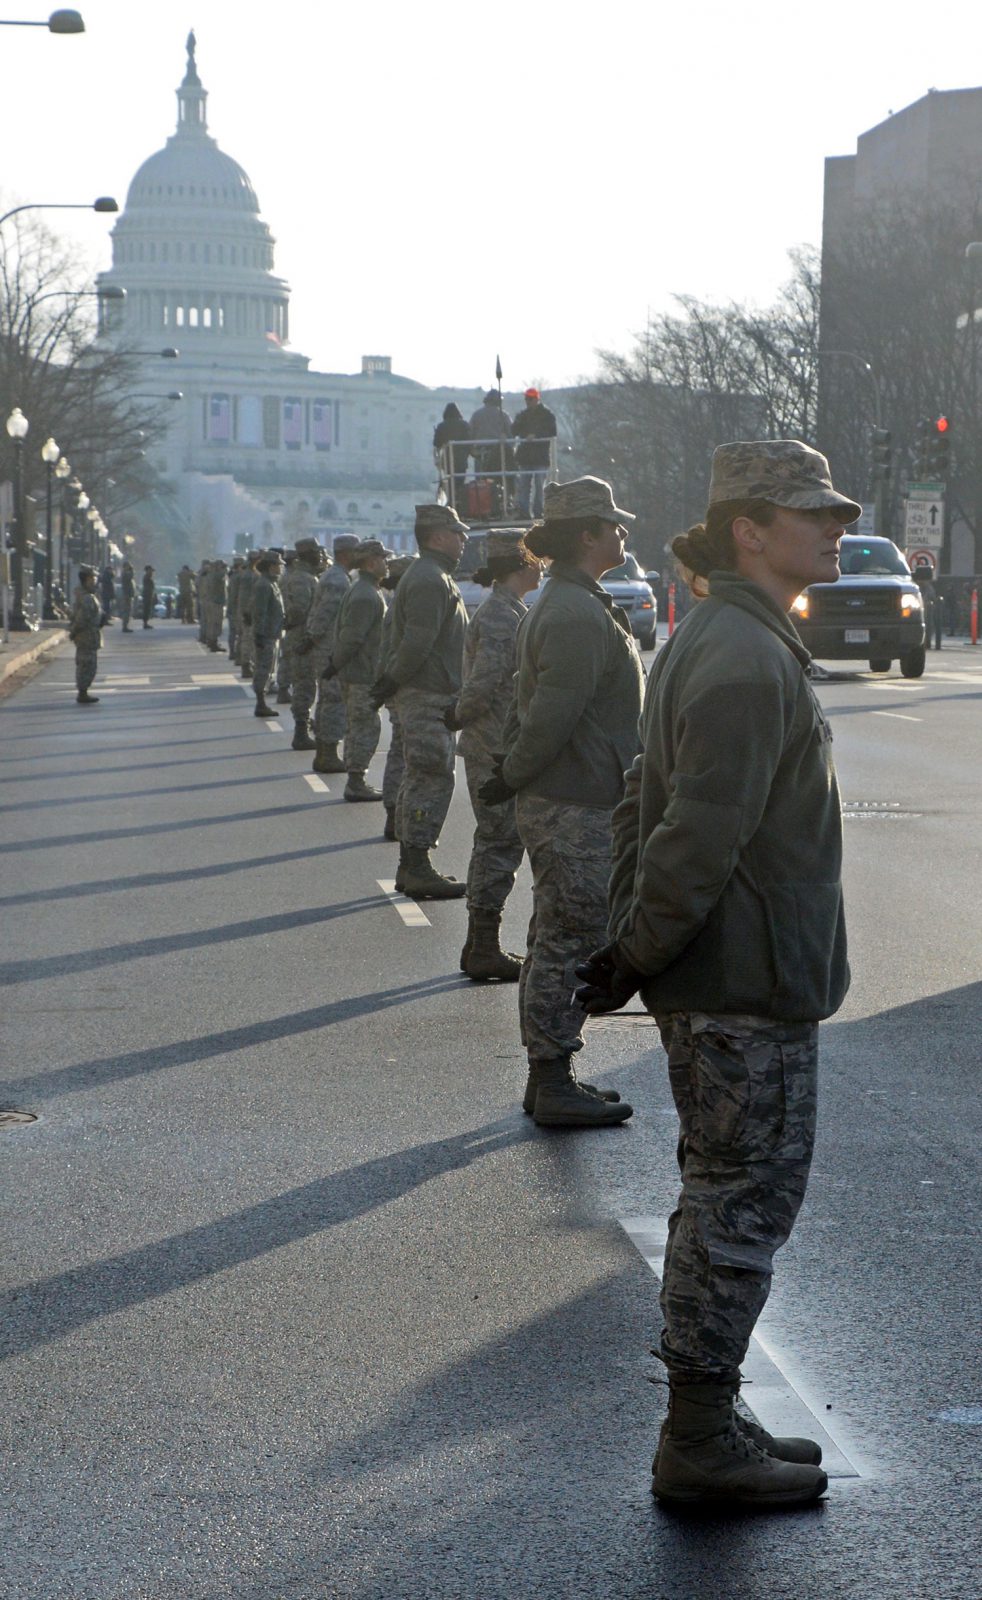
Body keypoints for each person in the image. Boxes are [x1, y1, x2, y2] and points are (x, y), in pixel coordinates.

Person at [575, 439, 857, 1510]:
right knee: (740, 1206)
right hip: (744, 982)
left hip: (728, 972)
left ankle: (709, 1411)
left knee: (719, 1195)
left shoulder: (728, 634)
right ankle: (696, 1436)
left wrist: (630, 946)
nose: (831, 527)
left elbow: (645, 795)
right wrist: (632, 948)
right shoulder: (740, 652)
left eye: (836, 511)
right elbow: (692, 829)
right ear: (748, 526)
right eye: (809, 513)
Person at [479, 477, 643, 1127]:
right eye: (612, 524)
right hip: (573, 800)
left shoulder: (578, 603)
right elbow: (551, 715)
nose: (622, 533)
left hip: (576, 792)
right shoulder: (573, 612)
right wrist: (513, 774)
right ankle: (551, 1077)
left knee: (559, 933)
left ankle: (550, 1075)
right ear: (585, 535)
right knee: (573, 937)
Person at [448, 529, 540, 981]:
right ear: (522, 564)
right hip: (493, 744)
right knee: (500, 842)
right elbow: (485, 683)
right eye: (536, 559)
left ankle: (477, 944)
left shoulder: (507, 609)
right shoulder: (503, 615)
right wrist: (459, 714)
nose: (542, 566)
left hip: (493, 741)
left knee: (494, 841)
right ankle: (483, 945)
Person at [373, 503, 469, 899]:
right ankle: (416, 866)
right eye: (457, 532)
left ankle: (412, 865)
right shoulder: (431, 578)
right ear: (437, 536)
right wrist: (391, 680)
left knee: (422, 777)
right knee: (431, 777)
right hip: (428, 695)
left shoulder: (431, 574)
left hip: (426, 691)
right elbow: (418, 641)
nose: (464, 539)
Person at [327, 538, 393, 801]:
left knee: (358, 725)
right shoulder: (366, 594)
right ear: (371, 562)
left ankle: (355, 778)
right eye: (383, 559)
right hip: (362, 673)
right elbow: (353, 637)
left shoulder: (365, 589)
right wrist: (336, 664)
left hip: (359, 671)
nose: (387, 564)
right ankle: (356, 780)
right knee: (365, 727)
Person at [306, 533, 361, 773]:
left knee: (327, 700)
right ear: (347, 553)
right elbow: (326, 615)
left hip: (326, 647)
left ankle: (323, 753)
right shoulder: (338, 580)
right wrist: (313, 639)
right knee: (333, 701)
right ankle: (327, 754)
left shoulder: (337, 576)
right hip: (330, 649)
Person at [377, 556, 416, 840]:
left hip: (396, 685)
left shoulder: (396, 606)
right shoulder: (401, 608)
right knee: (402, 752)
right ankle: (394, 811)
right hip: (400, 686)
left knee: (400, 749)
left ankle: (394, 812)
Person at [282, 538, 325, 749]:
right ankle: (300, 731)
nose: (320, 556)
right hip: (302, 637)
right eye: (316, 552)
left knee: (306, 683)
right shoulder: (302, 579)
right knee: (304, 684)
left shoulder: (307, 577)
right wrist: (307, 634)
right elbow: (299, 610)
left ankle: (304, 724)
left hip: (303, 636)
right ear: (308, 554)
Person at [512, 388, 558, 520]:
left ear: (537, 399)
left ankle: (539, 512)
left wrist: (536, 436)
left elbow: (553, 432)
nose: (528, 401)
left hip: (540, 456)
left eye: (530, 398)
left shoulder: (547, 415)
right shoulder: (522, 415)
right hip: (525, 456)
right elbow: (514, 430)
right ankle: (524, 513)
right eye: (526, 398)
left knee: (539, 486)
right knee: (524, 485)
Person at [468, 390, 515, 513]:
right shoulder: (503, 415)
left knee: (481, 482)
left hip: (480, 453)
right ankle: (504, 504)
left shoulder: (476, 415)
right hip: (499, 454)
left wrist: (472, 450)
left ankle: (481, 507)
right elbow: (511, 435)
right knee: (501, 479)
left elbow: (470, 434)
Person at [251, 550, 285, 717]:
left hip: (273, 633)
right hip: (266, 635)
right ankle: (260, 702)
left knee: (269, 668)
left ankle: (262, 701)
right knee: (263, 669)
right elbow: (260, 612)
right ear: (271, 566)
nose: (280, 568)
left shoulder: (271, 583)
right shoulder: (264, 585)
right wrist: (259, 634)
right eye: (278, 565)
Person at [69, 565, 104, 704]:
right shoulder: (87, 598)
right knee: (87, 664)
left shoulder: (86, 596)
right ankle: (82, 692)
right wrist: (74, 631)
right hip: (86, 636)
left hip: (88, 636)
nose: (94, 581)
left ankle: (83, 691)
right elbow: (82, 618)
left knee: (86, 664)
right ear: (86, 580)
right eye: (92, 578)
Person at [433, 402, 471, 515]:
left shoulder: (442, 426)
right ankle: (457, 505)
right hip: (461, 459)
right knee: (459, 482)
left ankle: (451, 504)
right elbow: (469, 442)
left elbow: (437, 444)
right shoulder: (464, 425)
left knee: (449, 483)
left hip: (447, 460)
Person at [201, 559, 228, 651]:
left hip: (211, 601)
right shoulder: (217, 575)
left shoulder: (210, 575)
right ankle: (213, 643)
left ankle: (212, 642)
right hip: (216, 602)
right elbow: (224, 574)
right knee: (216, 623)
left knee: (211, 623)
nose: (224, 568)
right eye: (222, 567)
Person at [119, 561, 136, 632]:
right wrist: (132, 570)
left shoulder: (126, 573)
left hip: (128, 594)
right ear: (125, 566)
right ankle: (125, 626)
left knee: (128, 611)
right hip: (127, 595)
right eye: (128, 566)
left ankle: (126, 626)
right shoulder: (125, 574)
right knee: (127, 611)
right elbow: (131, 576)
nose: (129, 567)